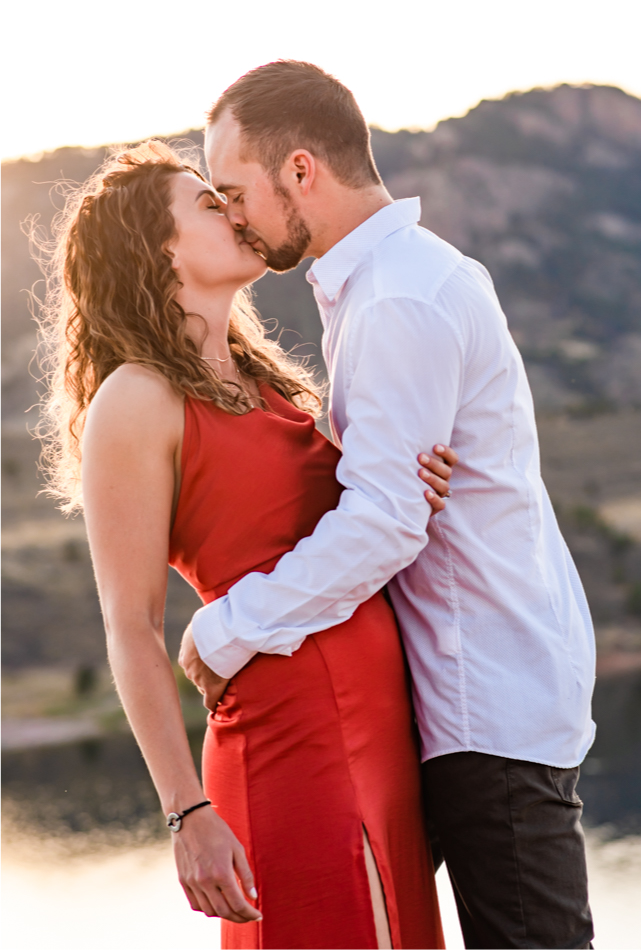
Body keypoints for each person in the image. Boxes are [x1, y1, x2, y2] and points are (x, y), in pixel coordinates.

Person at [178, 60, 598, 949]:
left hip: (487, 701)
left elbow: (385, 521)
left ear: (300, 170)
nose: (232, 215)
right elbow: (396, 500)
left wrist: (229, 627)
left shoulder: (396, 299)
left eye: (233, 190)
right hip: (457, 694)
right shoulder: (388, 283)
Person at [38, 141, 456, 948]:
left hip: (385, 731)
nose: (234, 211)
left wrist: (416, 482)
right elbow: (130, 627)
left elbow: (355, 527)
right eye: (206, 203)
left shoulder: (269, 383)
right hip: (285, 737)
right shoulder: (137, 398)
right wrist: (187, 812)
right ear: (158, 248)